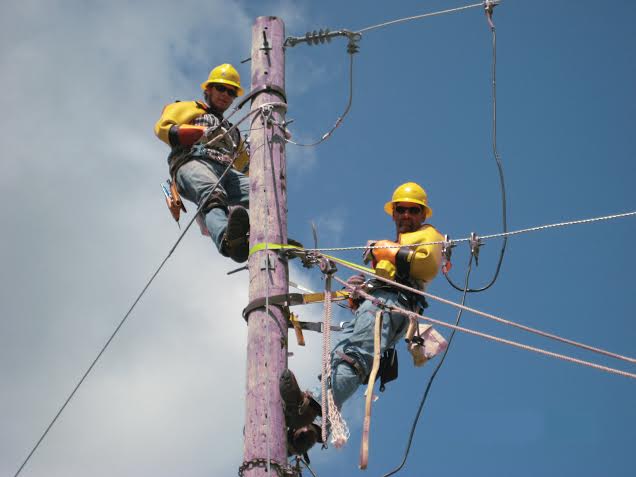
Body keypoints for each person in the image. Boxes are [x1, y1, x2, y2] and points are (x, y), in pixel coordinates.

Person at [280, 182, 444, 455]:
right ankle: (308, 430)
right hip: (377, 302)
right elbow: (388, 274)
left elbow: (426, 264)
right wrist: (363, 289)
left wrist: (383, 250)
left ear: (423, 214)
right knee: (339, 358)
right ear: (393, 214)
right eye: (400, 210)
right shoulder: (394, 244)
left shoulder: (430, 235)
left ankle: (311, 409)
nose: (405, 215)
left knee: (354, 358)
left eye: (412, 211)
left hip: (392, 304)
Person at [154, 63, 251, 262]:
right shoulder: (190, 108)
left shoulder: (233, 131)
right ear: (208, 89)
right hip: (193, 161)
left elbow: (246, 166)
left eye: (231, 92)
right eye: (221, 88)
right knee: (212, 193)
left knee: (262, 192)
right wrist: (182, 133)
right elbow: (163, 127)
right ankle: (227, 240)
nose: (226, 94)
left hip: (227, 172)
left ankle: (264, 236)